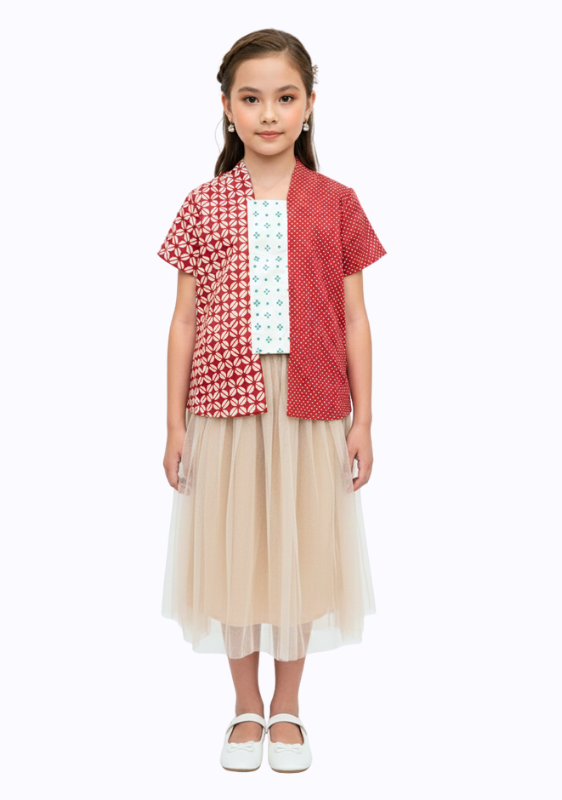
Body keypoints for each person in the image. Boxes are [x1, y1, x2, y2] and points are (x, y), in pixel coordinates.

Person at [157, 28, 387, 773]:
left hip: (309, 402)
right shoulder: (203, 204)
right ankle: (243, 705)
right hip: (225, 406)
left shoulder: (337, 203)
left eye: (285, 98)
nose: (268, 114)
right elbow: (184, 319)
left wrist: (365, 419)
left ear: (309, 105)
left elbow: (354, 317)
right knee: (235, 551)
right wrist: (173, 424)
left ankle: (287, 705)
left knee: (298, 546)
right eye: (251, 99)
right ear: (227, 108)